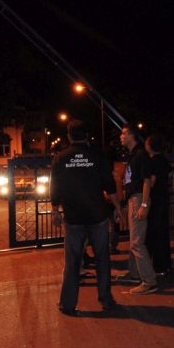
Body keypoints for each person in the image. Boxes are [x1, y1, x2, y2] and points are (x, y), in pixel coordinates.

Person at [50, 121, 122, 315]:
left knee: (72, 261)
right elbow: (109, 185)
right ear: (86, 135)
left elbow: (55, 187)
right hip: (97, 215)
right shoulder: (98, 156)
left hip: (73, 217)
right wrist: (117, 207)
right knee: (102, 259)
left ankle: (67, 304)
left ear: (69, 136)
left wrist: (55, 209)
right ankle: (106, 300)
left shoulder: (60, 158)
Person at [117, 125, 158, 294]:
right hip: (134, 198)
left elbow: (147, 181)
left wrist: (144, 204)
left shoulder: (140, 155)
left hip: (139, 198)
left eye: (124, 133)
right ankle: (134, 274)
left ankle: (149, 281)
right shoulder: (133, 154)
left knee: (137, 242)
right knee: (134, 240)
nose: (121, 136)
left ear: (132, 136)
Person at [145, 134, 172, 275]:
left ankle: (158, 265)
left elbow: (152, 181)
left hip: (155, 200)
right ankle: (165, 264)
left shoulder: (153, 161)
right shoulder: (163, 160)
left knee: (155, 233)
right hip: (163, 198)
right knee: (162, 233)